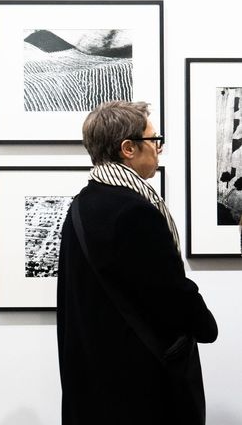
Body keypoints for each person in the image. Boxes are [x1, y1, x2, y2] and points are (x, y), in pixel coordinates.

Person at [57, 101, 218, 425]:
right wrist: (205, 325)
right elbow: (167, 290)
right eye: (154, 140)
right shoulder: (134, 211)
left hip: (97, 383)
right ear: (128, 148)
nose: (158, 149)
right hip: (142, 386)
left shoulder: (81, 206)